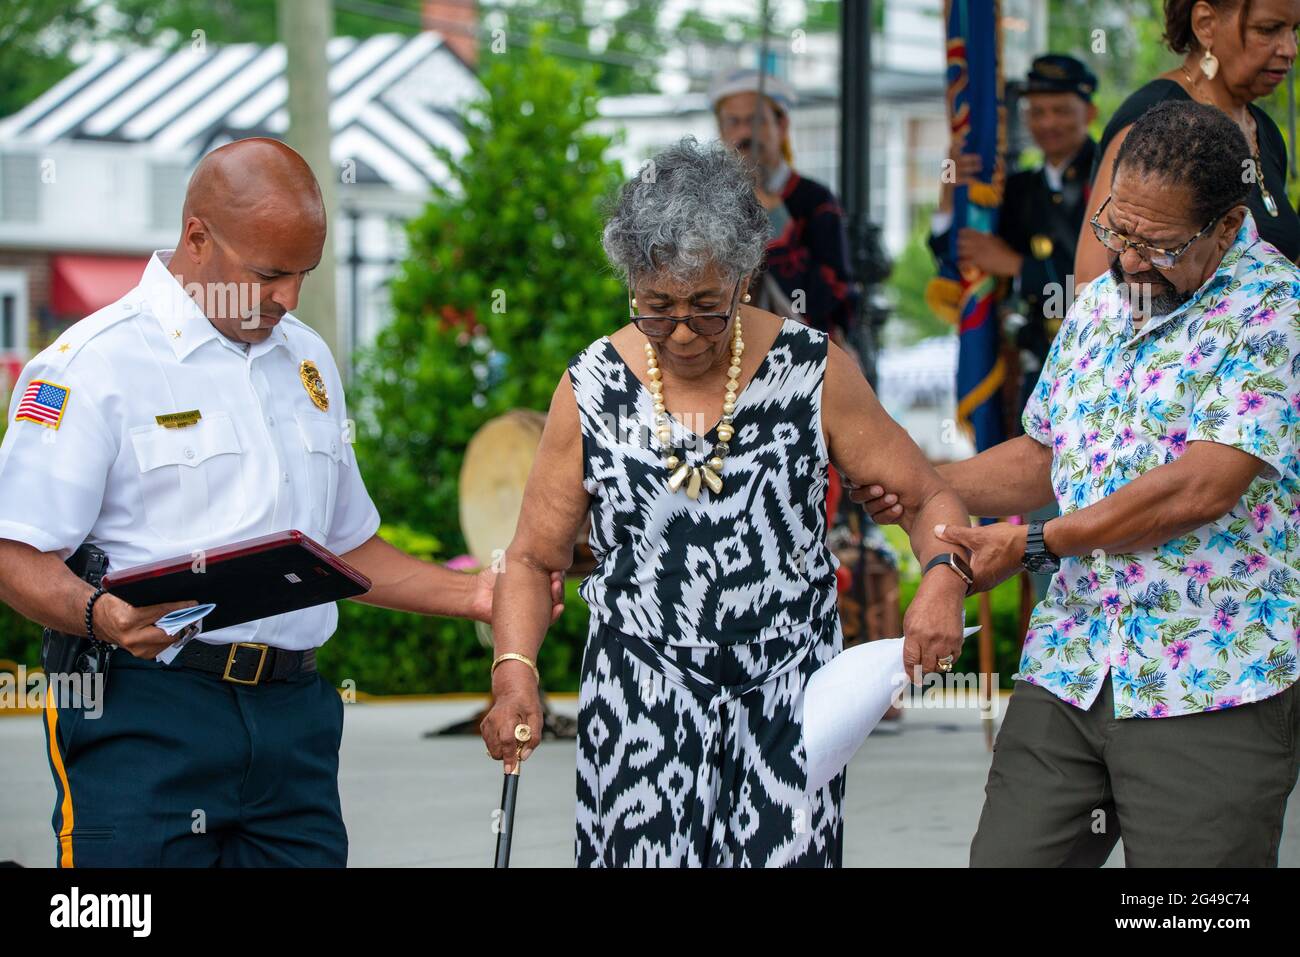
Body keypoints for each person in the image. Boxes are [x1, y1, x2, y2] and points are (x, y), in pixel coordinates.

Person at [0, 138, 563, 867]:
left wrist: (478, 595)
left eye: (303, 274)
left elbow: (342, 545)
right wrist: (95, 613)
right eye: (269, 274)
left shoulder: (305, 358)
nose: (290, 299)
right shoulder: (90, 367)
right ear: (197, 237)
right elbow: (14, 550)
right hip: (146, 712)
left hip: (293, 724)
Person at [480, 137, 971, 867]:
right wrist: (514, 669)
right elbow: (530, 556)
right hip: (640, 697)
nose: (680, 331)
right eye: (658, 307)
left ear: (745, 277)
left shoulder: (813, 371)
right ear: (632, 287)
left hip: (786, 696)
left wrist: (942, 580)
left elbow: (929, 497)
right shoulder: (591, 387)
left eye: (706, 306)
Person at [853, 102, 1300, 866]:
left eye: (1157, 246)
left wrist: (1034, 541)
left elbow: (1197, 488)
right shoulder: (1101, 301)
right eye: (1115, 234)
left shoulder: (1278, 310)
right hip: (1073, 660)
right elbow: (1044, 456)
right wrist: (923, 484)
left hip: (1207, 678)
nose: (1127, 263)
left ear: (1226, 228)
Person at [1075, 0, 1300, 283]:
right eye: (1268, 30)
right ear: (1205, 24)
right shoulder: (1158, 124)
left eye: (1294, 30)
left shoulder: (1262, 128)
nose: (1289, 49)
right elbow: (1094, 287)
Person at [931, 54, 1098, 414]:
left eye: (1061, 110)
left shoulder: (1111, 179)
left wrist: (1017, 265)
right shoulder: (1019, 189)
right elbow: (958, 254)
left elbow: (1108, 283)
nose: (1048, 122)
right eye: (1037, 112)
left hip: (1101, 363)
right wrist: (950, 193)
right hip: (1037, 366)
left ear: (1090, 114)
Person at [709, 68, 859, 346]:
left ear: (782, 126)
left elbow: (836, 300)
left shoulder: (815, 200)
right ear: (721, 131)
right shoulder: (711, 202)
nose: (745, 133)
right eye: (734, 122)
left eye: (756, 121)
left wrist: (775, 217)